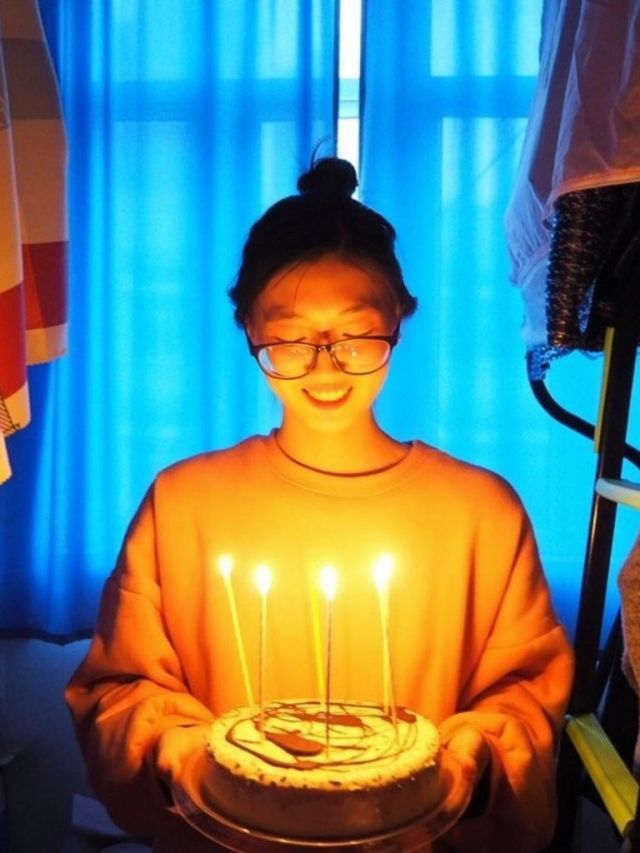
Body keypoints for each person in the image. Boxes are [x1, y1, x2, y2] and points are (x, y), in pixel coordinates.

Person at [65, 157, 574, 852]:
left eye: (356, 336)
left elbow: (526, 700)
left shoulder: (480, 513)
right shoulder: (183, 504)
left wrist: (469, 759)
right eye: (291, 339)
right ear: (249, 328)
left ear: (399, 320)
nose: (326, 364)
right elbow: (116, 690)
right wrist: (180, 751)